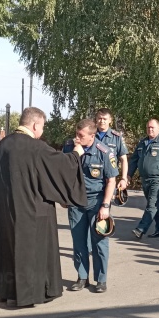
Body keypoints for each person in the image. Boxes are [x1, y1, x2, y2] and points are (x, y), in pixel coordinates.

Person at [0, 107, 87, 307]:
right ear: (35, 125)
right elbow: (60, 166)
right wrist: (76, 155)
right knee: (30, 254)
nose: (42, 131)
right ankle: (28, 296)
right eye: (42, 126)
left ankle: (6, 292)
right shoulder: (36, 147)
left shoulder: (2, 146)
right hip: (32, 214)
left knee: (7, 251)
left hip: (4, 213)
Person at [62, 119, 117, 293]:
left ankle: (101, 280)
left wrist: (106, 206)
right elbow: (63, 173)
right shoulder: (70, 147)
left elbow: (111, 180)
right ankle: (82, 277)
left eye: (81, 135)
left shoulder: (104, 152)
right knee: (78, 242)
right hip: (76, 203)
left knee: (99, 242)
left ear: (92, 136)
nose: (77, 138)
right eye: (76, 134)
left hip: (97, 203)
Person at [127, 119, 159, 239]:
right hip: (145, 179)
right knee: (155, 205)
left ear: (158, 128)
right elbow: (134, 160)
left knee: (152, 204)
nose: (150, 129)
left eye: (153, 127)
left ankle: (140, 229)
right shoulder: (142, 143)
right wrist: (128, 175)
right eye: (148, 127)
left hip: (158, 179)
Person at [94, 108, 129, 198]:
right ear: (96, 119)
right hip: (92, 178)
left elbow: (123, 159)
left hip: (109, 178)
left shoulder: (117, 137)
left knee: (105, 207)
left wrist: (124, 179)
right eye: (99, 118)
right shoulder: (91, 135)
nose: (102, 121)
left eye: (105, 119)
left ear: (110, 120)